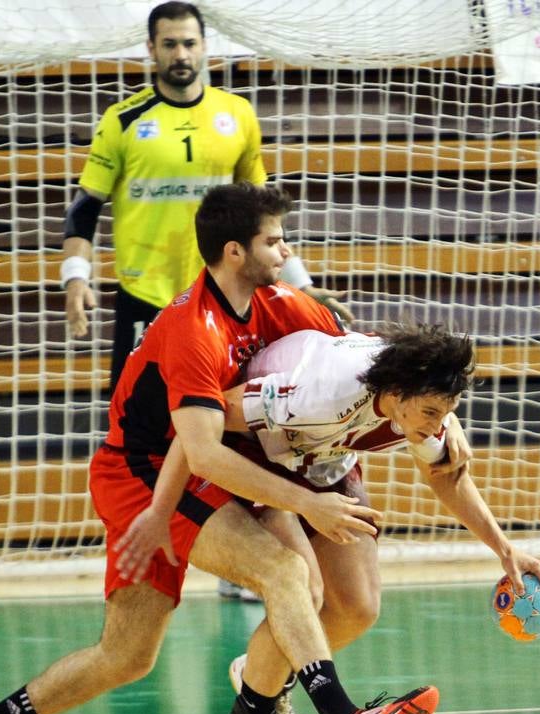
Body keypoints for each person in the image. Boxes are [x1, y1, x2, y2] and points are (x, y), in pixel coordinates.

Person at [0, 182, 439, 714]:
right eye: (274, 241)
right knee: (191, 623)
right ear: (234, 252)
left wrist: (441, 425)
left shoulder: (286, 306)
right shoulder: (192, 329)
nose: (286, 252)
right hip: (144, 475)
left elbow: (377, 366)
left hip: (216, 464)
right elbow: (200, 454)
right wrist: (307, 503)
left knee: (231, 613)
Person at [116, 324, 540, 714]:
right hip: (257, 455)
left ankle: (263, 671)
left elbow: (446, 477)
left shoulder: (420, 405)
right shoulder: (315, 391)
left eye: (445, 414)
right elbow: (205, 428)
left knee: (358, 606)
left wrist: (505, 549)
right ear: (397, 393)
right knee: (302, 590)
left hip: (324, 459)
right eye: (433, 413)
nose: (438, 425)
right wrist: (166, 508)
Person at [61, 2, 351, 603]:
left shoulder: (236, 115)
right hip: (150, 300)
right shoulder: (124, 120)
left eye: (190, 42)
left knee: (237, 424)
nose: (181, 54)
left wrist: (300, 284)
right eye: (169, 43)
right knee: (146, 433)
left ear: (204, 46)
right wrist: (76, 276)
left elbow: (261, 216)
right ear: (151, 49)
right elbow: (85, 208)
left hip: (227, 305)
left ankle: (244, 558)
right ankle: (146, 548)